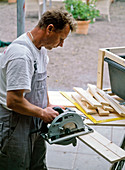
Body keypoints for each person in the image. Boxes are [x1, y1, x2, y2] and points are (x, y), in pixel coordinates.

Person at [0, 9, 76, 170]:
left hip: (34, 118)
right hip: (14, 123)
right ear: (49, 29)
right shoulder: (21, 55)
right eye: (61, 39)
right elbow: (13, 101)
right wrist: (42, 113)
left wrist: (48, 106)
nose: (61, 45)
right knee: (16, 165)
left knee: (37, 165)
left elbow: (41, 83)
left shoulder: (40, 50)